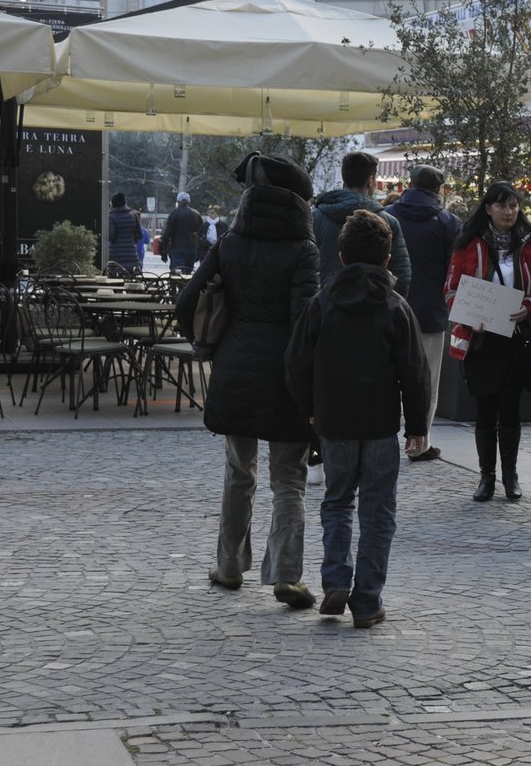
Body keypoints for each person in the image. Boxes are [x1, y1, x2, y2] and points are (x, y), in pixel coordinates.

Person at [174, 152, 319, 608]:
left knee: (239, 473)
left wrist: (208, 339)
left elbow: (187, 302)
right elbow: (305, 321)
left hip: (236, 368)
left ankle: (230, 567)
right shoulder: (304, 250)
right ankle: (287, 576)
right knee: (289, 480)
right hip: (286, 376)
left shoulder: (230, 245)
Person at [285, 210, 429, 628]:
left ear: (342, 256)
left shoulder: (322, 303)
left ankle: (335, 580)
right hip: (381, 423)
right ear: (387, 260)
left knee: (337, 501)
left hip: (334, 422)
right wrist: (417, 424)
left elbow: (296, 361)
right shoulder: (395, 306)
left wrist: (309, 408)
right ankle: (367, 601)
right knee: (378, 511)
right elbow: (415, 371)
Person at [446, 182, 531, 502]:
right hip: (482, 339)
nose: (509, 212)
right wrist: (467, 314)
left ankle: (510, 475)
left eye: (514, 206)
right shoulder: (469, 244)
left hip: (517, 338)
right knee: (484, 409)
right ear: (488, 209)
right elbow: (451, 289)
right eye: (502, 206)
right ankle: (486, 477)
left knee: (509, 409)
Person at [383, 164, 462, 462]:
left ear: (410, 185)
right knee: (427, 379)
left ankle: (386, 436)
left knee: (389, 375)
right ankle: (421, 442)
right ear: (438, 190)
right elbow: (455, 269)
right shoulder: (447, 223)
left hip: (390, 307)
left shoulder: (389, 217)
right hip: (430, 312)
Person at [313, 151, 412, 297]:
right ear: (370, 181)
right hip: (375, 309)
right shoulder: (388, 222)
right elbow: (402, 277)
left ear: (344, 179)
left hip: (326, 307)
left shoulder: (315, 217)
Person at [161, 191, 205, 272]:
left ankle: (178, 284)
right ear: (189, 202)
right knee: (188, 272)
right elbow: (201, 232)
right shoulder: (196, 214)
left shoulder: (174, 214)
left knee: (177, 273)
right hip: (192, 248)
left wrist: (163, 249)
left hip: (177, 247)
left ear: (178, 201)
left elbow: (168, 233)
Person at [106, 192, 142, 275]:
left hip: (115, 258)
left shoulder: (111, 217)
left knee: (115, 282)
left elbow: (111, 237)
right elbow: (139, 235)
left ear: (113, 204)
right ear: (125, 202)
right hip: (132, 256)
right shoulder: (133, 215)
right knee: (131, 282)